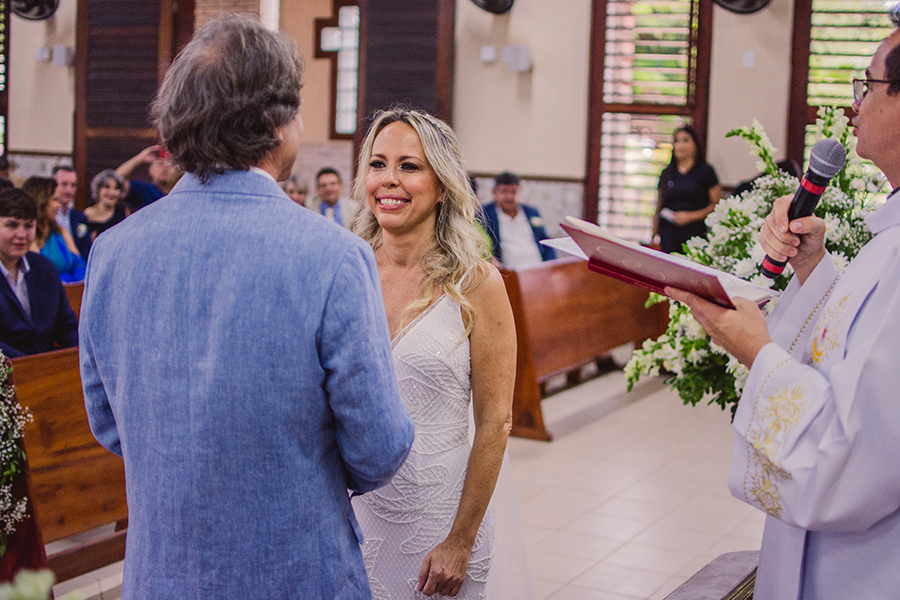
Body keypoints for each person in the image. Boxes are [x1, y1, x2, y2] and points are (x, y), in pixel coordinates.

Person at [79, 16, 414, 599]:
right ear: (278, 125)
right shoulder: (332, 256)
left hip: (162, 576)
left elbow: (108, 424)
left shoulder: (112, 251)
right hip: (292, 572)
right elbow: (378, 447)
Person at [665, 12, 900, 599]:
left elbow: (849, 461)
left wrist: (757, 349)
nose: (854, 106)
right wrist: (814, 269)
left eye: (865, 87)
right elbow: (860, 353)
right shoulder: (889, 236)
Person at [351, 108, 532, 599]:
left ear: (443, 183)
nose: (389, 180)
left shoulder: (476, 282)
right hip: (355, 512)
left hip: (441, 515)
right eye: (377, 164)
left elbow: (495, 420)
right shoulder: (347, 267)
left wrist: (460, 540)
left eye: (409, 166)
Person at [0, 188, 78, 358]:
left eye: (28, 226)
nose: (21, 235)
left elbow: (66, 325)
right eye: (12, 225)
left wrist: (81, 353)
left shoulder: (43, 267)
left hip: (47, 367)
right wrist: (30, 367)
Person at [654, 126, 722, 253]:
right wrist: (654, 233)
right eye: (677, 141)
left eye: (685, 141)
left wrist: (690, 216)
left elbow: (716, 205)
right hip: (668, 234)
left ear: (694, 145)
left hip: (695, 234)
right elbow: (659, 205)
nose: (680, 145)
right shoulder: (667, 173)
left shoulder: (705, 171)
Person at [478, 171, 555, 268]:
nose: (509, 197)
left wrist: (551, 267)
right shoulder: (485, 213)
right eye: (504, 191)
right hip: (507, 273)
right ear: (494, 192)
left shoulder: (531, 212)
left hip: (538, 269)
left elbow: (544, 241)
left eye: (513, 192)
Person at [24, 176, 86, 283]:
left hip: (73, 290)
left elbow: (79, 264)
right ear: (40, 202)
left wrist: (80, 283)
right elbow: (41, 274)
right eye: (55, 200)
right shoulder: (27, 237)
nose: (59, 205)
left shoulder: (61, 232)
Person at [116, 145, 182, 211]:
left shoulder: (181, 192)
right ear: (150, 170)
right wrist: (141, 157)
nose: (165, 168)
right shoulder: (143, 190)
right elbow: (115, 179)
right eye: (160, 164)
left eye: (169, 165)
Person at [52, 165, 92, 259]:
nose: (69, 190)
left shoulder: (80, 217)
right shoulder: (45, 216)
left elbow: (86, 251)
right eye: (64, 184)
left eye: (73, 185)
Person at [84, 169, 129, 239]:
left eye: (116, 188)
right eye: (107, 187)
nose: (112, 192)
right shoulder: (88, 214)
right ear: (98, 189)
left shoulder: (123, 212)